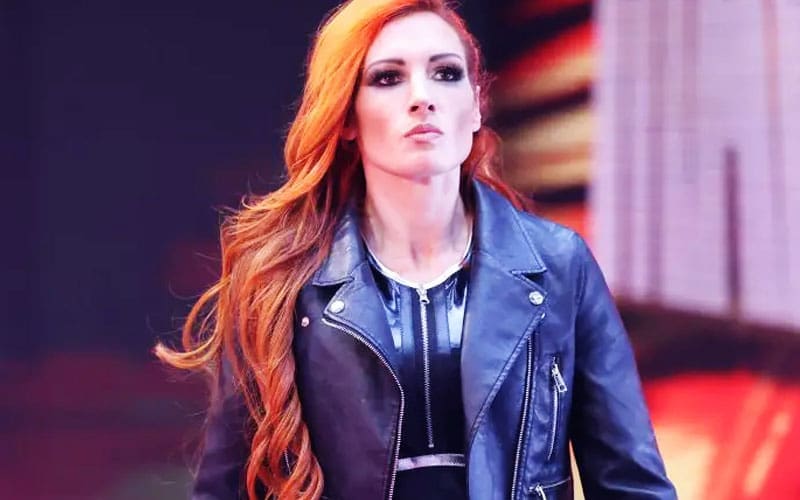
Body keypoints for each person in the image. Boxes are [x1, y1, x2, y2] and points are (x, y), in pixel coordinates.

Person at [155, 0, 677, 498]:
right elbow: (226, 488)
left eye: (446, 73)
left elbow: (632, 482)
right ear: (346, 117)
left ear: (475, 106)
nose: (422, 96)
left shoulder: (559, 265)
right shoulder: (281, 278)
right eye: (388, 78)